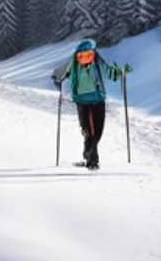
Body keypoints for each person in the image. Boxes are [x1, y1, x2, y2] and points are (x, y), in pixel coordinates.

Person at [52, 38, 124, 170]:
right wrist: (121, 72)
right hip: (98, 99)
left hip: (81, 100)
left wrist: (56, 78)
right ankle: (92, 161)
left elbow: (59, 74)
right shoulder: (96, 58)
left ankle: (89, 156)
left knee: (87, 130)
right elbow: (110, 72)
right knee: (97, 131)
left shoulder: (74, 60)